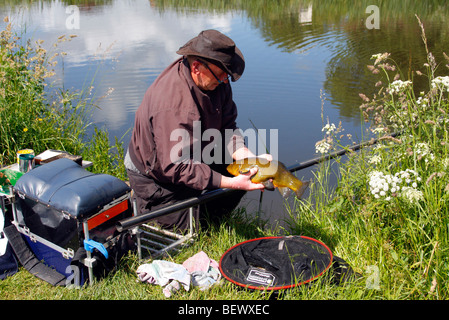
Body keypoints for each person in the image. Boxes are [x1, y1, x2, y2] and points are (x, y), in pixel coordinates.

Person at [125, 29, 271, 232]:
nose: (224, 82)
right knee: (184, 232)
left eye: (226, 76)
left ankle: (212, 221)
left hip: (195, 148)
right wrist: (231, 182)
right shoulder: (173, 104)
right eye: (220, 76)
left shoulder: (216, 81)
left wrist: (249, 158)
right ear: (196, 67)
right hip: (157, 175)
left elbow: (228, 127)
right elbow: (176, 166)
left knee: (243, 173)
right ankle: (179, 214)